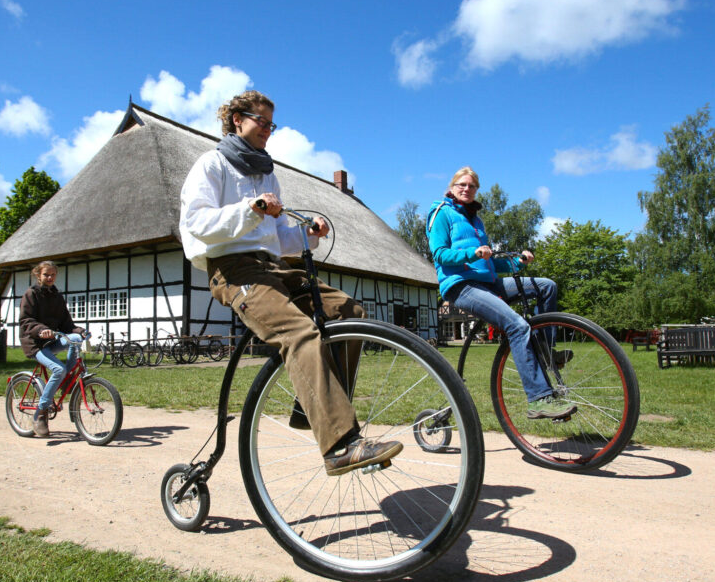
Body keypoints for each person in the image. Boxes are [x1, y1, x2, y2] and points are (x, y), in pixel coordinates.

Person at [179, 90, 401, 475]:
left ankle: (311, 410)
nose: (268, 129)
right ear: (237, 119)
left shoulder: (267, 174)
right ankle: (339, 445)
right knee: (300, 333)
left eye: (271, 124)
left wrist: (309, 234)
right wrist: (251, 210)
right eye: (261, 121)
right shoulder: (212, 165)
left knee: (348, 311)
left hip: (273, 267)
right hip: (233, 270)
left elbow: (279, 238)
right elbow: (196, 225)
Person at [427, 167, 577, 419]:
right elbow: (439, 255)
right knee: (517, 325)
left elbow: (488, 263)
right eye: (462, 185)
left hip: (488, 281)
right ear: (452, 187)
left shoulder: (476, 220)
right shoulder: (441, 213)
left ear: (476, 191)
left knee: (546, 285)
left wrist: (518, 262)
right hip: (461, 285)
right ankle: (539, 399)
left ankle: (547, 352)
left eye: (472, 186)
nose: (467, 189)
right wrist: (471, 253)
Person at [19, 260, 84, 437]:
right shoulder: (31, 294)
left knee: (76, 339)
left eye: (53, 275)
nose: (49, 277)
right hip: (35, 343)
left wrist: (80, 331)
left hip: (52, 341)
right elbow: (26, 321)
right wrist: (41, 330)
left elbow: (67, 324)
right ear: (38, 275)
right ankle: (40, 414)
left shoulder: (57, 296)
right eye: (46, 274)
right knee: (58, 368)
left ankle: (66, 381)